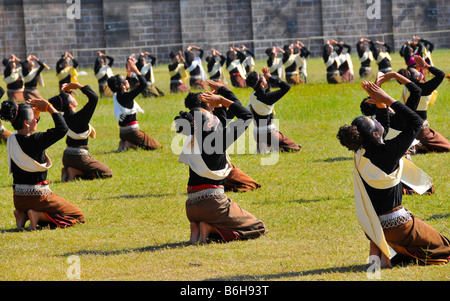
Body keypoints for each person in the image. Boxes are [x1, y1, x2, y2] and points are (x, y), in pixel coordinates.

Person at [336, 81, 450, 267]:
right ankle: (393, 254)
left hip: (373, 227)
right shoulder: (388, 152)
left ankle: (385, 255)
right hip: (397, 227)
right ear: (375, 134)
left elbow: (383, 129)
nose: (377, 121)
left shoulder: (361, 151)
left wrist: (380, 105)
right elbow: (416, 122)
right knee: (444, 246)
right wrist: (388, 99)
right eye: (374, 122)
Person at [174, 81, 267, 244]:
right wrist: (223, 99)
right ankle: (210, 228)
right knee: (258, 226)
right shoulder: (218, 138)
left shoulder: (193, 137)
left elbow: (235, 107)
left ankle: (196, 226)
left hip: (191, 207)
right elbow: (246, 115)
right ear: (210, 119)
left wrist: (223, 92)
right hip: (213, 204)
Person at [0, 97, 85, 230]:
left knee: (30, 205)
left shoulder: (12, 138)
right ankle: (36, 215)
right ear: (27, 123)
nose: (36, 120)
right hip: (38, 197)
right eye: (34, 118)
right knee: (78, 216)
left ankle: (21, 215)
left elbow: (28, 128)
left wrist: (36, 115)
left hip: (18, 199)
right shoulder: (36, 140)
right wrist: (49, 107)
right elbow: (62, 129)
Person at [49, 82, 113, 182]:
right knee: (107, 173)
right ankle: (77, 173)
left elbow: (60, 103)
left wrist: (66, 91)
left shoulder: (61, 116)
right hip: (79, 157)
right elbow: (94, 98)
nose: (73, 96)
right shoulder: (80, 118)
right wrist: (79, 86)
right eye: (70, 96)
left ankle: (70, 170)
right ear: (70, 105)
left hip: (66, 157)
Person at [397, 55, 449, 153]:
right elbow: (441, 74)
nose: (421, 72)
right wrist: (425, 65)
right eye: (418, 72)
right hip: (420, 130)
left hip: (407, 127)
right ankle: (415, 147)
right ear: (417, 77)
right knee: (447, 146)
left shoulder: (406, 88)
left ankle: (416, 145)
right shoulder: (423, 88)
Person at [108, 57, 161, 152]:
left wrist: (128, 72)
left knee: (140, 143)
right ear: (122, 85)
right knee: (156, 146)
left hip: (122, 132)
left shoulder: (117, 95)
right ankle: (128, 144)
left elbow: (125, 88)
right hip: (132, 131)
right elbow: (144, 84)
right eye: (125, 80)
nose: (127, 80)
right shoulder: (126, 96)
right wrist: (136, 70)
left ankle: (125, 142)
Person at [246, 67, 301, 153]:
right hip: (269, 133)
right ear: (261, 84)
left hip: (257, 134)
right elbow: (286, 87)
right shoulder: (268, 97)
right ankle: (273, 146)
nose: (266, 79)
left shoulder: (253, 96)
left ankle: (267, 146)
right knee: (294, 148)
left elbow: (266, 91)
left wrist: (266, 79)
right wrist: (271, 77)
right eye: (265, 79)